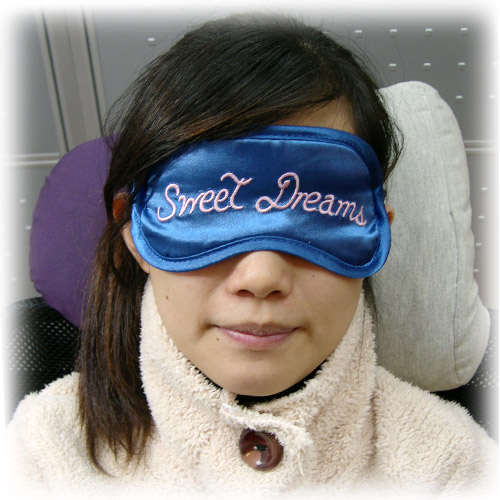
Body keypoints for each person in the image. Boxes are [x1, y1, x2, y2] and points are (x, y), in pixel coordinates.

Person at [7, 14, 497, 498]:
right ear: (132, 232)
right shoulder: (47, 453)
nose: (261, 276)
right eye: (208, 212)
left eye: (317, 213)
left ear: (377, 232)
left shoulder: (451, 467)